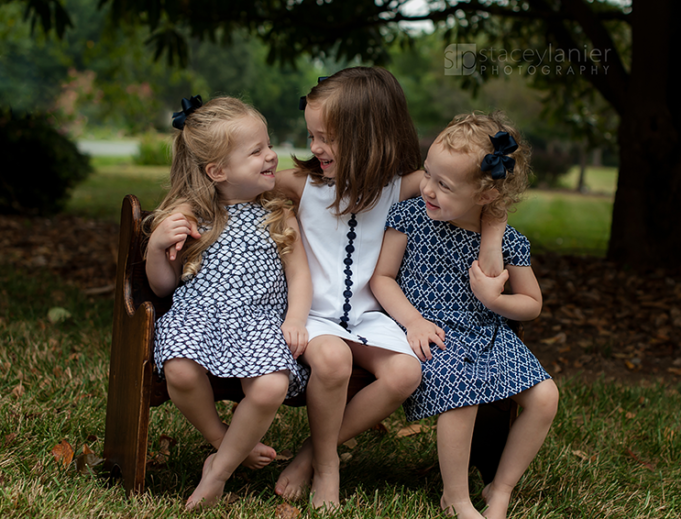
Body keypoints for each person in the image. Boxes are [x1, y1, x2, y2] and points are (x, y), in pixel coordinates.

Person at [272, 67, 507, 509]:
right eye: (312, 136)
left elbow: (483, 193)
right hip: (316, 319)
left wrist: (493, 238)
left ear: (370, 136)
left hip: (370, 317)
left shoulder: (400, 188)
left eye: (327, 138)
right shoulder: (301, 186)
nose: (316, 148)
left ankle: (310, 454)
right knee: (335, 359)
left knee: (405, 373)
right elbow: (230, 184)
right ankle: (327, 467)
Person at [371, 111, 559, 519]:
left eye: (444, 185)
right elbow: (382, 279)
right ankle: (455, 496)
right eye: (427, 174)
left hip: (487, 331)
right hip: (432, 331)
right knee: (464, 395)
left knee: (546, 397)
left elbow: (532, 303)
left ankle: (500, 487)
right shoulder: (409, 218)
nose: (427, 189)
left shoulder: (508, 241)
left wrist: (496, 301)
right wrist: (414, 321)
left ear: (485, 196)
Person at [146, 95, 311, 510]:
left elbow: (300, 275)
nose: (272, 155)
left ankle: (217, 473)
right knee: (179, 370)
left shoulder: (278, 213)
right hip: (197, 317)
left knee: (272, 384)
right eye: (256, 150)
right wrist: (156, 247)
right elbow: (163, 286)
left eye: (268, 144)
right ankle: (223, 441)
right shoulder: (190, 214)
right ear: (217, 171)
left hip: (257, 321)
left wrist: (295, 318)